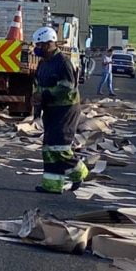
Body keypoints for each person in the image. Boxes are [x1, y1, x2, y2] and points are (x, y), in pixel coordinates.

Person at [32, 26, 88, 194]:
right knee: (49, 148)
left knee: (60, 147)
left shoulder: (62, 63)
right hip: (50, 109)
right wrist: (37, 102)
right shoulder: (43, 63)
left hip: (65, 109)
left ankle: (80, 172)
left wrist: (45, 94)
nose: (37, 48)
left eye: (40, 45)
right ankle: (52, 185)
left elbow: (67, 87)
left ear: (50, 43)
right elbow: (38, 84)